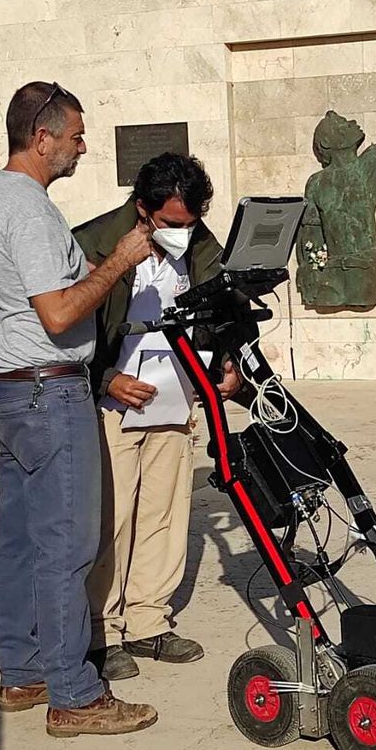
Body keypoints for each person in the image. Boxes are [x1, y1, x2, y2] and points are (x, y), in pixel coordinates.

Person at [0, 80, 158, 736]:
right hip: (51, 391)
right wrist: (117, 262)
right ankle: (74, 692)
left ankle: (22, 671)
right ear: (41, 138)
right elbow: (60, 310)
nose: (82, 144)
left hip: (10, 391)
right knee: (66, 546)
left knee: (17, 543)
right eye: (75, 134)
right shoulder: (30, 210)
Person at [74, 152, 241, 682]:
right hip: (113, 400)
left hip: (175, 391)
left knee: (165, 511)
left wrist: (227, 359)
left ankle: (149, 619)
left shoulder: (199, 243)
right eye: (172, 224)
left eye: (191, 224)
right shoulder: (93, 242)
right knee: (113, 517)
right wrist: (107, 378)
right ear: (143, 210)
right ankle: (102, 630)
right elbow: (65, 324)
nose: (183, 233)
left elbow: (222, 303)